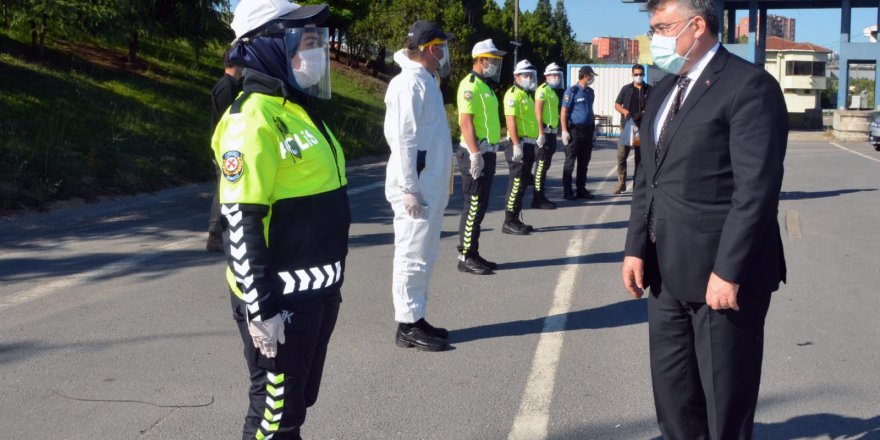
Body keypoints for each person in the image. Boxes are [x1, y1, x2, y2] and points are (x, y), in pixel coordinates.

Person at [621, 1, 788, 439]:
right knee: (674, 401)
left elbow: (756, 191)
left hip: (723, 279)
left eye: (661, 27)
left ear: (697, 26)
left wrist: (728, 271)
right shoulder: (662, 90)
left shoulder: (749, 87)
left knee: (724, 407)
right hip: (665, 273)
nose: (653, 38)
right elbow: (648, 178)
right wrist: (635, 248)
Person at [215, 1, 350, 438]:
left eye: (314, 42)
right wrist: (262, 309)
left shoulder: (297, 109)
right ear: (265, 46)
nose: (312, 51)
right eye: (302, 41)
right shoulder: (250, 120)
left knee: (296, 409)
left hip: (317, 295)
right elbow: (239, 222)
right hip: (280, 304)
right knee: (273, 419)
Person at [383, 20, 454, 352]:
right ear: (431, 49)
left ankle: (416, 315)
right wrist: (409, 187)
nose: (445, 53)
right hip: (416, 188)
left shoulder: (425, 81)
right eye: (442, 46)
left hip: (428, 186)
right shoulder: (407, 84)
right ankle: (407, 325)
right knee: (411, 255)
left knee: (423, 255)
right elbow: (404, 140)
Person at [454, 38, 506, 275]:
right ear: (481, 60)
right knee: (473, 204)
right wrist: (475, 153)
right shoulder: (470, 85)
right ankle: (465, 256)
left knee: (481, 205)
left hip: (488, 152)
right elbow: (466, 122)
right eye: (493, 59)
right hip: (474, 153)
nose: (495, 63)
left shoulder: (485, 87)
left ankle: (473, 252)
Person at [206, 50, 244, 252]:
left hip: (227, 145)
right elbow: (227, 119)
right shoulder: (226, 86)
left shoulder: (230, 85)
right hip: (226, 146)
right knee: (223, 188)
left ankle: (222, 233)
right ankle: (216, 234)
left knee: (226, 187)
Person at [501, 59, 540, 235]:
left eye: (531, 75)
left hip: (529, 144)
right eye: (526, 75)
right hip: (519, 143)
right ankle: (508, 221)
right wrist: (516, 144)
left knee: (523, 182)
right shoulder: (513, 94)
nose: (529, 78)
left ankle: (515, 218)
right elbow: (511, 121)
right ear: (516, 76)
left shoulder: (526, 94)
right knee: (516, 182)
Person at [560, 65, 598, 201]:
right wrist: (564, 130)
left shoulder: (590, 92)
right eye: (591, 76)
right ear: (585, 75)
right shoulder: (572, 91)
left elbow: (590, 111)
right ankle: (567, 191)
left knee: (584, 162)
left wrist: (594, 130)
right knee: (570, 162)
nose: (592, 78)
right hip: (575, 130)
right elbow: (564, 111)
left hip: (587, 131)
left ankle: (581, 189)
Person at [613, 63, 651, 194]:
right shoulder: (626, 89)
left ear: (644, 74)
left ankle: (637, 184)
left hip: (643, 128)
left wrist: (645, 113)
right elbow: (617, 104)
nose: (638, 76)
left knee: (639, 158)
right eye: (636, 74)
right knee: (621, 155)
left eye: (641, 74)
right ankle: (621, 182)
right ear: (632, 75)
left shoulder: (649, 90)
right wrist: (624, 111)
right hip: (628, 126)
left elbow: (654, 107)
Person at [532, 62, 564, 210]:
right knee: (541, 166)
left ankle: (541, 195)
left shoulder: (552, 91)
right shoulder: (542, 90)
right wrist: (540, 133)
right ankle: (537, 197)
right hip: (544, 132)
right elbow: (538, 112)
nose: (557, 77)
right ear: (547, 76)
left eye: (558, 75)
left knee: (545, 165)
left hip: (551, 133)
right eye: (554, 75)